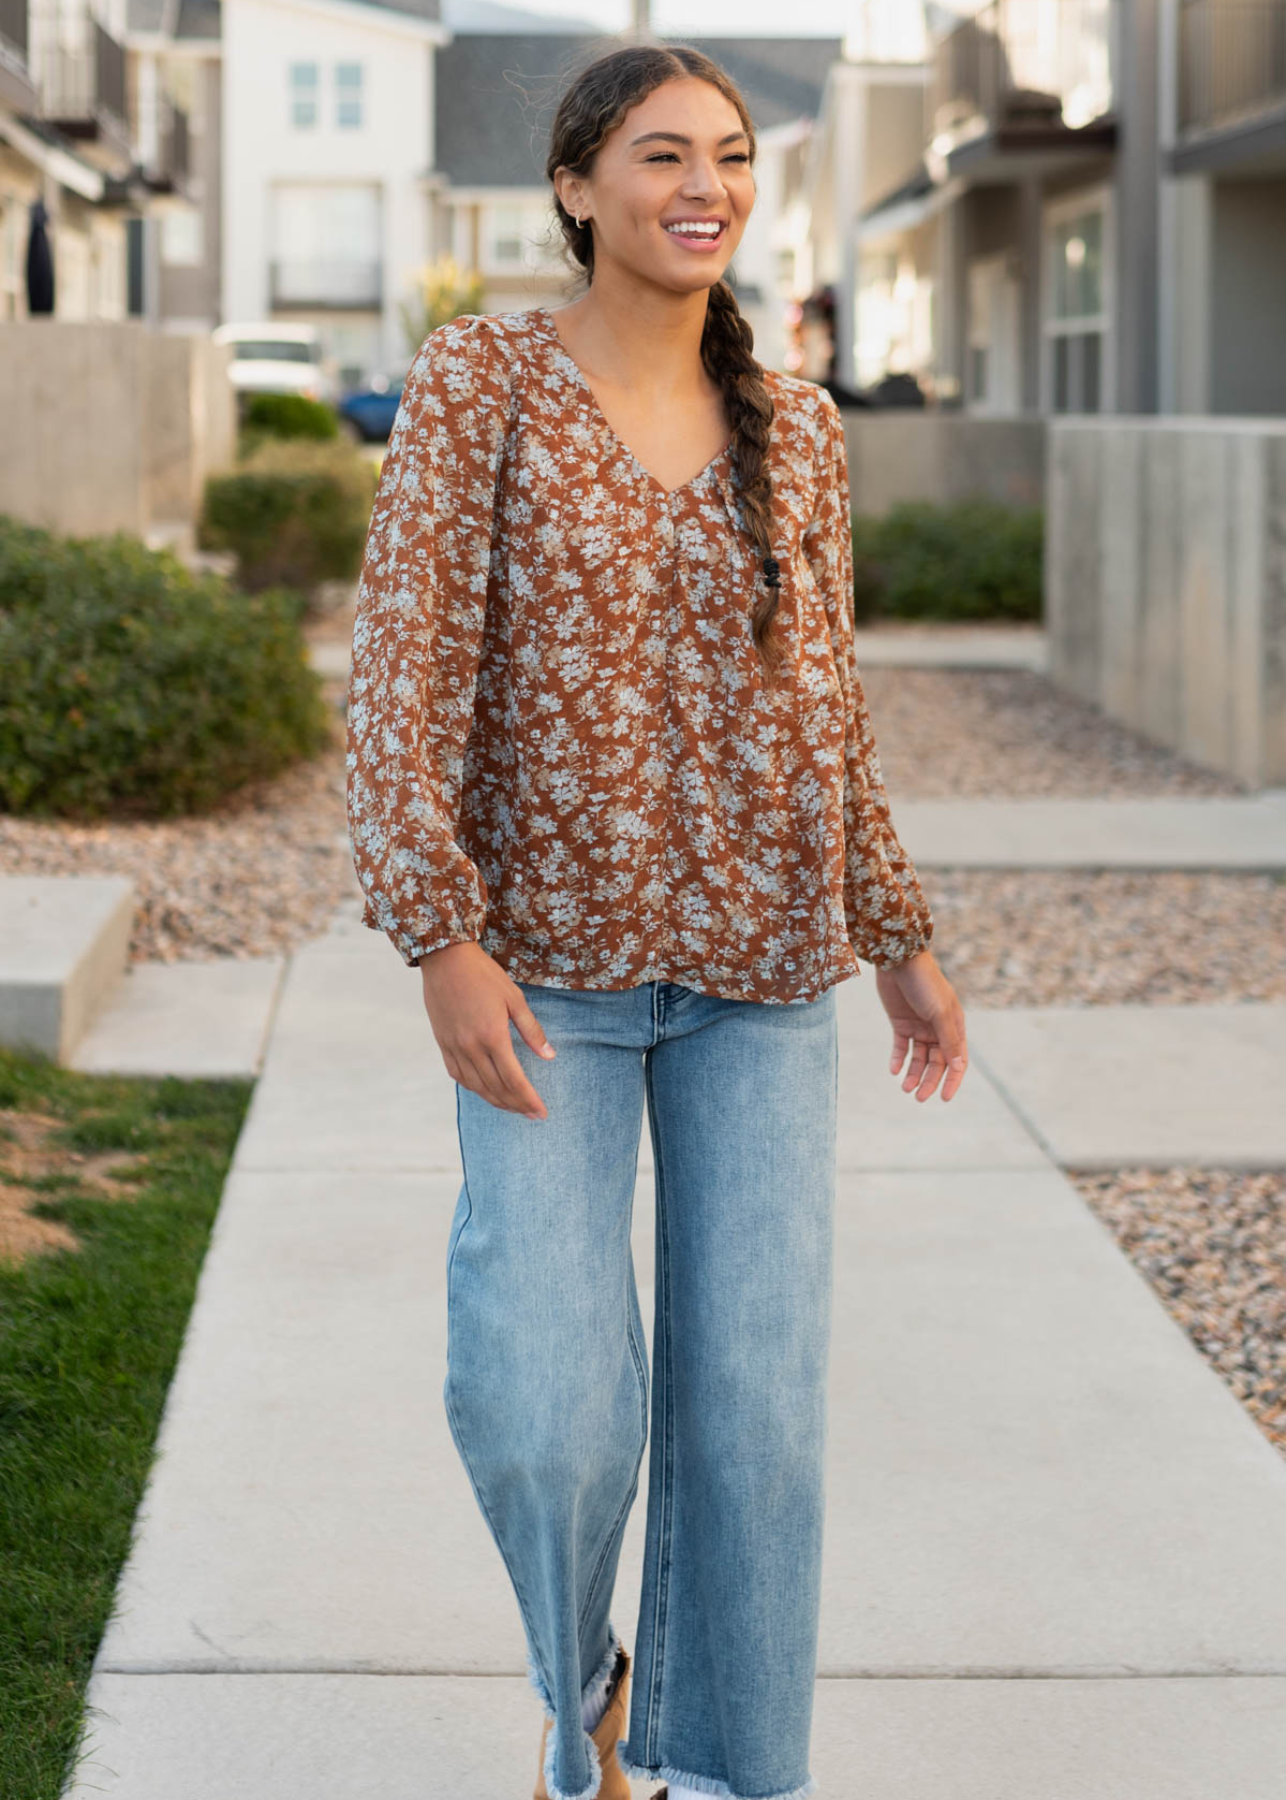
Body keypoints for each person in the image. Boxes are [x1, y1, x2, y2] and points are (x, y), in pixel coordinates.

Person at [345, 41, 969, 1800]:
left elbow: (822, 708)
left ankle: (717, 1770)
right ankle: (593, 1691)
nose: (704, 185)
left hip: (764, 978)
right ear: (573, 188)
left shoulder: (803, 434)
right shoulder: (480, 386)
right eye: (659, 154)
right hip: (540, 972)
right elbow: (401, 682)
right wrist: (436, 930)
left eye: (730, 157)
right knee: (544, 1404)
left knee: (755, 1419)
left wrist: (896, 929)